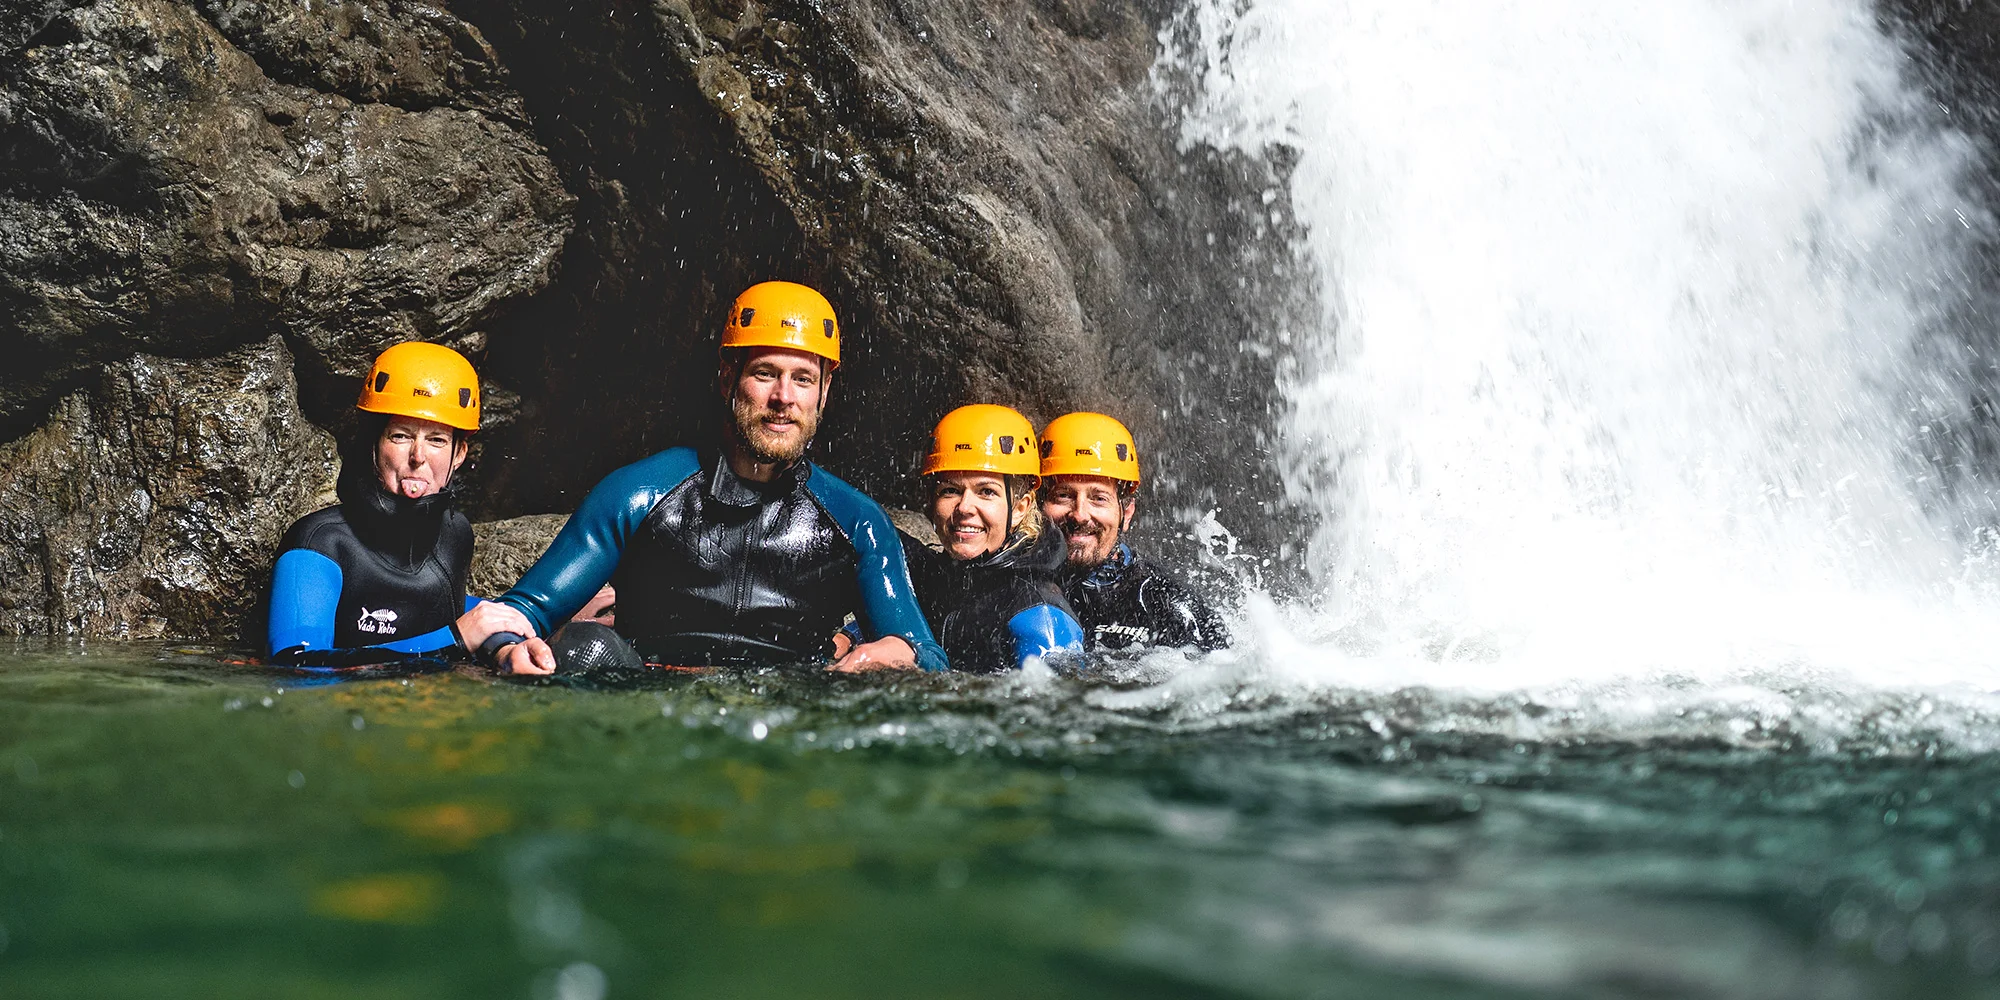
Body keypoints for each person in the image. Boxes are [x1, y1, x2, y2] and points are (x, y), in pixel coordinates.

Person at [455, 281, 947, 676]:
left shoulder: (858, 521)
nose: (784, 398)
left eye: (803, 379)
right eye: (765, 373)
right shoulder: (638, 493)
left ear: (824, 391)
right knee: (586, 647)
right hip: (651, 706)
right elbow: (522, 612)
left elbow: (928, 656)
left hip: (791, 713)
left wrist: (896, 653)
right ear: (728, 376)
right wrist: (508, 648)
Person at [266, 342, 482, 668]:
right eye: (400, 436)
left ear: (459, 454)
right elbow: (295, 665)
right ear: (374, 442)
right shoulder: (318, 543)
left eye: (437, 440)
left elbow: (441, 605)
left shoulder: (456, 534)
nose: (418, 456)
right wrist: (455, 640)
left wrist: (506, 632)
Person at [889, 404, 1084, 673]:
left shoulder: (1038, 613)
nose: (964, 507)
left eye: (987, 492)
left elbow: (1056, 697)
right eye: (950, 490)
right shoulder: (930, 579)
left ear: (1020, 508)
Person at [1039, 412, 1229, 653]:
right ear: (1037, 505)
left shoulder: (1165, 603)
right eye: (1063, 495)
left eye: (1099, 498)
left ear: (1126, 513)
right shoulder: (1015, 586)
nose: (1080, 515)